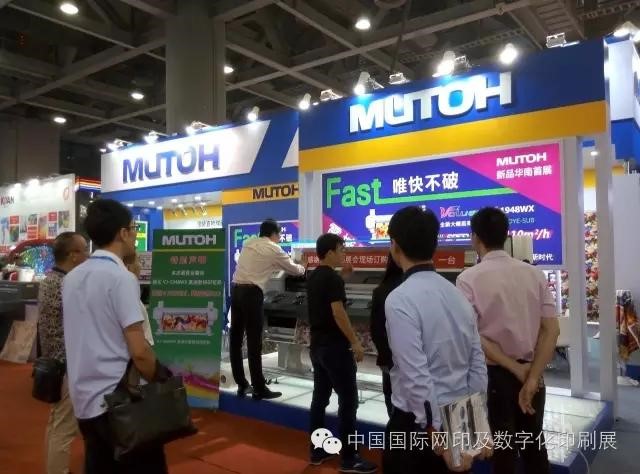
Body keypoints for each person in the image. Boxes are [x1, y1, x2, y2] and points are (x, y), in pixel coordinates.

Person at [62, 199, 166, 474]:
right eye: (133, 229)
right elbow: (139, 351)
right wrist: (162, 379)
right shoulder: (120, 279)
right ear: (122, 233)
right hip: (118, 403)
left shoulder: (71, 278)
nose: (135, 236)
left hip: (83, 400)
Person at [383, 206, 489, 474]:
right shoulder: (457, 294)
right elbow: (477, 365)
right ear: (434, 245)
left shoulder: (400, 299)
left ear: (395, 246)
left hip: (419, 427)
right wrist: (475, 426)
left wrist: (437, 433)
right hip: (460, 415)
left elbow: (415, 375)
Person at [456, 207, 560, 474]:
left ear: (475, 237)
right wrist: (532, 377)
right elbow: (551, 330)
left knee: (503, 451)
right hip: (532, 373)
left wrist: (514, 368)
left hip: (495, 377)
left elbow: (472, 336)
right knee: (534, 445)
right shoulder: (534, 274)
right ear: (506, 235)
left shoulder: (468, 279)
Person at [307, 233, 377, 473]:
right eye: (341, 249)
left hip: (317, 346)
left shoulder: (315, 276)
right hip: (335, 348)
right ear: (330, 253)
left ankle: (317, 450)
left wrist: (342, 278)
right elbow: (338, 312)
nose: (344, 253)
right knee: (348, 401)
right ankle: (349, 458)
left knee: (320, 399)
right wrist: (355, 341)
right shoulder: (332, 280)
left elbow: (327, 295)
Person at [230, 218, 306, 399]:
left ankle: (242, 385)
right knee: (254, 341)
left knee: (236, 339)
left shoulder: (249, 243)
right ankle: (259, 387)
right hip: (252, 294)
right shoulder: (274, 248)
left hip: (237, 291)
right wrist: (303, 267)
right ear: (274, 234)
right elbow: (294, 270)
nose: (279, 238)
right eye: (279, 235)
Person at [37, 231, 88, 474]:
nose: (88, 255)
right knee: (64, 429)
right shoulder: (67, 284)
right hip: (66, 364)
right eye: (84, 250)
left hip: (55, 363)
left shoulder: (51, 279)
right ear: (73, 255)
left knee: (57, 424)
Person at [369, 254, 403, 417]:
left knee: (392, 401)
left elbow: (376, 328)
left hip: (390, 358)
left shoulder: (381, 290)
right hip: (418, 362)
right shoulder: (422, 289)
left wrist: (383, 356)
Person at [123, 252, 154, 345]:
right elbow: (139, 341)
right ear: (129, 267)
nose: (140, 265)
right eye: (139, 261)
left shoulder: (131, 294)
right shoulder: (129, 298)